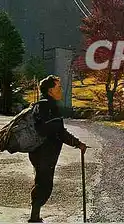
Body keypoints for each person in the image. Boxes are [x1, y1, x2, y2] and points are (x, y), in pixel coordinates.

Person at [28, 75, 87, 223]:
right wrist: (77, 143)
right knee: (45, 186)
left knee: (41, 182)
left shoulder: (40, 104)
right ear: (50, 90)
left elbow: (55, 130)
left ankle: (35, 215)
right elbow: (59, 132)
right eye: (58, 87)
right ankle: (34, 217)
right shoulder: (49, 106)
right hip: (45, 153)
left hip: (38, 152)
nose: (61, 90)